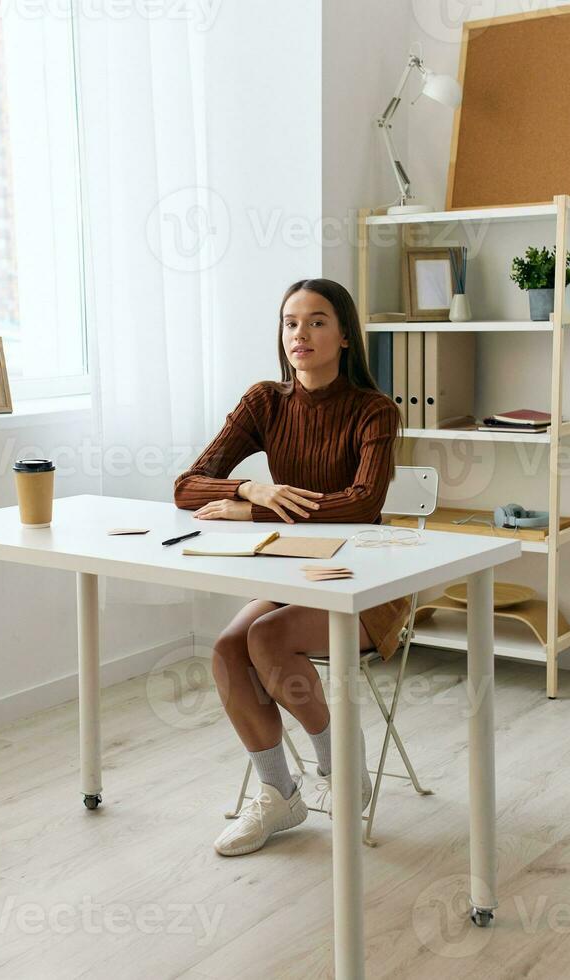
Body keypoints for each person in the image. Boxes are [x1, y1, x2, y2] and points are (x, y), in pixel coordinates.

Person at [174, 277, 406, 856]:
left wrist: (254, 513)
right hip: (291, 571)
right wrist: (253, 485)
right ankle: (280, 797)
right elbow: (186, 488)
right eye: (290, 322)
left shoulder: (374, 410)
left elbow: (361, 504)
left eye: (317, 321)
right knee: (229, 648)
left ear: (346, 335)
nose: (300, 334)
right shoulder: (265, 401)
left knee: (268, 637)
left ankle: (341, 769)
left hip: (366, 581)